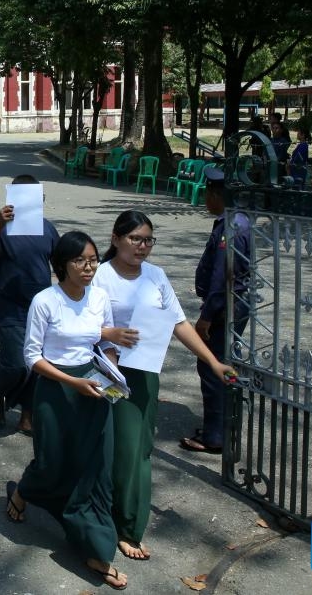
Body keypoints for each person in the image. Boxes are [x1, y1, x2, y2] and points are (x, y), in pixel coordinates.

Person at [94, 210, 235, 561]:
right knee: (116, 449)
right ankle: (115, 521)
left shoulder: (156, 276)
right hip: (108, 372)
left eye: (148, 240)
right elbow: (73, 323)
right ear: (116, 239)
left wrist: (212, 361)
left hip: (144, 374)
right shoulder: (99, 276)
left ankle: (126, 522)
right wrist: (108, 334)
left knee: (138, 450)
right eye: (135, 239)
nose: (142, 246)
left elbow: (178, 323)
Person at [6, 231, 128, 591]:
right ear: (62, 265)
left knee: (96, 468)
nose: (88, 267)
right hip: (56, 388)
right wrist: (72, 382)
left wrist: (112, 372)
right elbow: (32, 357)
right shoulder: (45, 301)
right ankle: (24, 491)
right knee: (53, 463)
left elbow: (103, 342)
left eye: (93, 260)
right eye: (79, 261)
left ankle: (96, 549)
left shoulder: (99, 297)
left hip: (94, 387)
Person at [0, 174, 59, 435]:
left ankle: (27, 414)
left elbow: (61, 264)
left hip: (41, 308)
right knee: (15, 364)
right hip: (9, 306)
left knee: (38, 365)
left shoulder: (47, 229)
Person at [180, 167, 251, 454]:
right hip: (234, 304)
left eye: (207, 194)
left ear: (215, 194)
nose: (205, 200)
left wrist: (206, 317)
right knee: (224, 362)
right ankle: (224, 426)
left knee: (212, 366)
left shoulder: (231, 227)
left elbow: (223, 279)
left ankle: (215, 436)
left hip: (225, 308)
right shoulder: (237, 220)